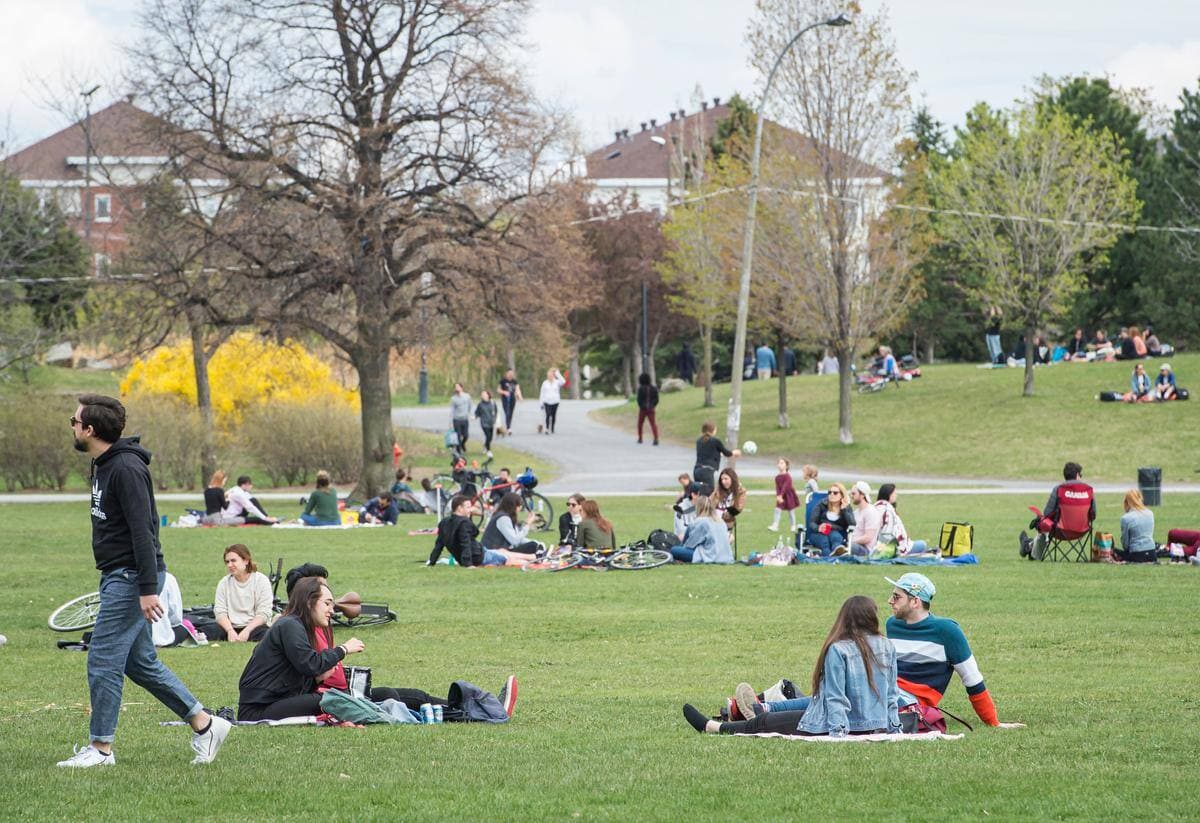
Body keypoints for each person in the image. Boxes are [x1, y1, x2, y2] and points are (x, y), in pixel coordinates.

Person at [58, 394, 230, 768]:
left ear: (90, 429)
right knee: (140, 663)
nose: (71, 426)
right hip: (117, 575)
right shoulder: (102, 464)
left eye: (74, 422)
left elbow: (144, 532)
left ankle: (101, 749)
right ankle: (206, 725)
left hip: (132, 576)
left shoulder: (126, 469)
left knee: (102, 659)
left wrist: (148, 589)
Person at [238, 577, 518, 721]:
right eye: (327, 603)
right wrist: (343, 650)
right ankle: (474, 710)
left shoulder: (300, 627)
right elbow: (309, 664)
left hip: (281, 699)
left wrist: (324, 673)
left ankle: (474, 707)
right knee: (333, 702)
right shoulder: (290, 625)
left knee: (397, 694)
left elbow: (307, 669)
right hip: (260, 709)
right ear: (309, 602)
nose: (332, 609)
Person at [682, 596, 901, 737]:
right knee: (806, 706)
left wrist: (838, 734)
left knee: (766, 723)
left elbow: (836, 698)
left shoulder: (839, 649)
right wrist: (894, 729)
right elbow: (892, 695)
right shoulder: (886, 645)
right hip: (876, 725)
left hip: (842, 725)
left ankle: (713, 727)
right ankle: (762, 707)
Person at [884, 573, 1023, 730]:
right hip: (887, 690)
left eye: (896, 597)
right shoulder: (892, 625)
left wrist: (993, 722)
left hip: (911, 702)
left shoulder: (947, 631)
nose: (890, 601)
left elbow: (972, 679)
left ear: (915, 601)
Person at [1020, 461, 1096, 559]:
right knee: (1043, 522)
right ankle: (1029, 546)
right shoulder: (1088, 490)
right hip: (1082, 531)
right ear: (1077, 475)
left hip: (1060, 531)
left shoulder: (1059, 489)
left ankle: (1030, 548)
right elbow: (1093, 515)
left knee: (1042, 521)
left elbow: (1047, 513)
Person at [212, 544, 274, 642]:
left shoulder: (261, 581)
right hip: (230, 627)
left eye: (233, 561)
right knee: (209, 630)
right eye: (227, 562)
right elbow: (220, 612)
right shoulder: (224, 583)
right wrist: (230, 631)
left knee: (269, 635)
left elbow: (264, 613)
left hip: (255, 628)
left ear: (246, 561)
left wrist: (247, 631)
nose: (229, 565)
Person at [669, 496, 733, 564]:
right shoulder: (721, 522)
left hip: (710, 556)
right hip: (725, 556)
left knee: (674, 550)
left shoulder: (700, 522)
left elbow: (690, 545)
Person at [481, 492, 541, 559]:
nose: (520, 508)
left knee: (534, 545)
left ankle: (539, 552)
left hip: (502, 550)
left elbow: (518, 538)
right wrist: (527, 525)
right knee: (533, 546)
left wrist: (538, 543)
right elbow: (515, 541)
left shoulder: (508, 517)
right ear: (513, 506)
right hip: (494, 552)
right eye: (519, 505)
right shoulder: (503, 518)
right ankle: (538, 554)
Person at [874, 484, 929, 555]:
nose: (896, 495)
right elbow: (889, 532)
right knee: (923, 544)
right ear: (889, 495)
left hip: (878, 543)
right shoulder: (888, 510)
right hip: (891, 546)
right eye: (894, 493)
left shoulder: (876, 507)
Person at [804, 482, 854, 557]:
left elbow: (852, 524)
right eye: (830, 492)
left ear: (842, 495)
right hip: (818, 533)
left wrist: (844, 510)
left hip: (837, 533)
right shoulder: (821, 504)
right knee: (825, 541)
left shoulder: (846, 507)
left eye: (835, 493)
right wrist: (818, 528)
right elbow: (812, 522)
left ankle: (837, 552)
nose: (831, 494)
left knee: (835, 537)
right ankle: (830, 559)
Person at [693, 421, 739, 491]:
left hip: (697, 470)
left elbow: (708, 453)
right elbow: (726, 453)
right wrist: (734, 452)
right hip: (707, 471)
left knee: (699, 493)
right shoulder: (715, 441)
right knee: (709, 492)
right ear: (713, 430)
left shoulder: (699, 441)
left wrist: (719, 454)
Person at [1117, 489, 1156, 563]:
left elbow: (1125, 544)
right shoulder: (1150, 513)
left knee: (1115, 551)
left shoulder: (1126, 518)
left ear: (1127, 502)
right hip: (1152, 552)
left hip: (1136, 554)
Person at [151, 571, 188, 648]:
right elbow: (176, 619)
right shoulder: (167, 578)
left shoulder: (122, 577)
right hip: (159, 639)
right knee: (184, 629)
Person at [849, 480, 881, 556]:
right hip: (854, 544)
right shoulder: (856, 512)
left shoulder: (871, 512)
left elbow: (868, 537)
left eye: (853, 493)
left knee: (850, 547)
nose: (851, 496)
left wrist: (850, 542)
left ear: (862, 495)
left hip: (865, 549)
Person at [711, 467, 747, 535]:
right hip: (712, 521)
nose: (723, 482)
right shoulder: (718, 490)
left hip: (726, 523)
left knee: (727, 540)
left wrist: (722, 515)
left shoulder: (740, 491)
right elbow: (708, 503)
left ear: (732, 479)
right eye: (722, 479)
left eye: (726, 479)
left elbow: (738, 509)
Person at [767, 458, 799, 533]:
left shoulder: (788, 476)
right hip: (781, 496)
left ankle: (793, 525)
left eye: (782, 463)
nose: (780, 465)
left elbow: (786, 486)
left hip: (789, 495)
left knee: (791, 511)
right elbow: (777, 487)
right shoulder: (777, 477)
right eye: (778, 463)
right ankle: (775, 525)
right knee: (777, 510)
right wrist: (778, 496)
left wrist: (781, 495)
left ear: (786, 466)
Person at [538, 368, 566, 434]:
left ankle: (552, 428)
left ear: (553, 375)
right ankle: (547, 428)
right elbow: (542, 393)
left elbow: (563, 381)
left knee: (553, 415)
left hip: (555, 401)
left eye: (551, 375)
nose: (549, 376)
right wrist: (541, 403)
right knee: (547, 415)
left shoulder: (557, 382)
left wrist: (557, 373)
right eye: (548, 375)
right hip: (546, 401)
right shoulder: (545, 383)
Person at [635, 373, 660, 445]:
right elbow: (657, 399)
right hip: (651, 408)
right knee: (653, 424)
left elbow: (639, 400)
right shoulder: (654, 388)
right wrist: (653, 405)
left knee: (640, 424)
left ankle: (640, 438)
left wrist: (642, 406)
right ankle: (656, 438)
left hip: (643, 409)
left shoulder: (640, 389)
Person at [497, 368, 522, 434]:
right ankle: (508, 428)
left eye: (512, 374)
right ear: (506, 374)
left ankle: (508, 426)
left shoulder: (515, 381)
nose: (511, 375)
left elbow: (517, 389)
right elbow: (498, 390)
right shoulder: (503, 381)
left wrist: (520, 397)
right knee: (507, 413)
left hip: (512, 399)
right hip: (505, 400)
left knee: (510, 414)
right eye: (509, 373)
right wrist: (504, 392)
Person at [474, 389, 498, 455]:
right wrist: (474, 417)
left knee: (490, 437)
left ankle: (485, 446)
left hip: (491, 422)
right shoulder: (480, 404)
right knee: (488, 436)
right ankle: (488, 450)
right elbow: (477, 413)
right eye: (482, 395)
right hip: (484, 423)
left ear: (488, 395)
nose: (483, 396)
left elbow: (496, 411)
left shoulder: (493, 402)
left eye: (484, 394)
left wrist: (495, 420)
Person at [450, 383, 472, 450]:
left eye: (458, 387)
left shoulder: (467, 396)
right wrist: (450, 422)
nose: (457, 388)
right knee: (458, 435)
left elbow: (470, 406)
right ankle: (458, 450)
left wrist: (469, 414)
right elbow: (452, 410)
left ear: (461, 388)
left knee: (466, 435)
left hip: (465, 419)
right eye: (455, 387)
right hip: (457, 419)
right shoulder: (453, 398)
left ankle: (462, 444)